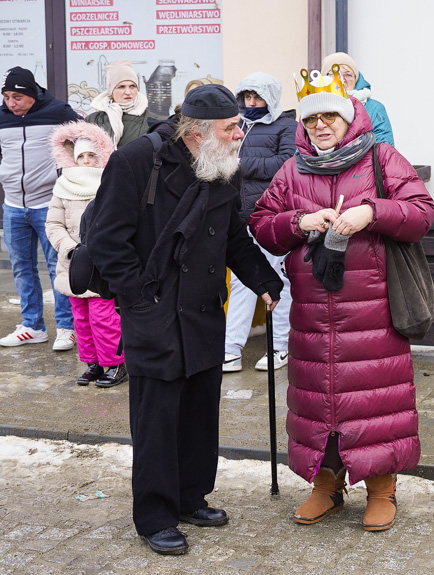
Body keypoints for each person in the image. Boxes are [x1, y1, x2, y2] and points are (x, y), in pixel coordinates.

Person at [85, 84, 283, 555]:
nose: (241, 133)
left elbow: (232, 234)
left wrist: (264, 282)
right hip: (152, 309)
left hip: (200, 310)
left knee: (198, 411)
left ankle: (189, 495)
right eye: (232, 126)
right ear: (197, 131)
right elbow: (108, 241)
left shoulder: (222, 164)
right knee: (157, 418)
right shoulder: (137, 161)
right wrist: (137, 298)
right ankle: (154, 515)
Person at [250, 67, 434, 531]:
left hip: (373, 307)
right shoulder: (293, 168)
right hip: (313, 309)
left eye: (330, 116)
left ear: (350, 117)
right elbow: (262, 223)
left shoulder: (382, 157)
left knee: (376, 399)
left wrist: (372, 211)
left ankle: (381, 489)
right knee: (319, 400)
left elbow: (421, 213)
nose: (321, 126)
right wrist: (299, 222)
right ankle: (326, 486)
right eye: (312, 121)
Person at [0, 66, 79, 351]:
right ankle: (32, 325)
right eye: (7, 97)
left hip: (48, 203)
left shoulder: (58, 112)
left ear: (31, 94)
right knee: (22, 267)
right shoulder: (2, 118)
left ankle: (66, 327)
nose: (11, 103)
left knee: (58, 267)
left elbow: (85, 138)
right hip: (12, 205)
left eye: (17, 97)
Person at [223, 72, 297, 372]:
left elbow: (287, 162)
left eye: (257, 97)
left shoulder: (287, 125)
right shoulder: (238, 124)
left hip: (272, 215)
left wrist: (241, 165)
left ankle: (281, 346)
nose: (251, 103)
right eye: (247, 97)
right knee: (242, 281)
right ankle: (231, 349)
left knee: (278, 281)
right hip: (240, 215)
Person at [45, 121, 127, 388]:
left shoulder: (111, 183)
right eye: (82, 155)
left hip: (102, 264)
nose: (87, 160)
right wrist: (70, 248)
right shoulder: (63, 186)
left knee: (104, 318)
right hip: (73, 264)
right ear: (73, 158)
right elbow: (53, 224)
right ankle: (92, 363)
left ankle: (115, 364)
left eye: (93, 155)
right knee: (81, 318)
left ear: (102, 155)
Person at [322, 52, 394, 145]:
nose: (342, 79)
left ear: (356, 79)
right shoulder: (314, 108)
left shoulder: (374, 109)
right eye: (335, 74)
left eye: (348, 74)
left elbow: (384, 150)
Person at [85, 59, 156, 148]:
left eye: (132, 86)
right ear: (111, 91)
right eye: (121, 87)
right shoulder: (93, 120)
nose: (128, 92)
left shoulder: (152, 120)